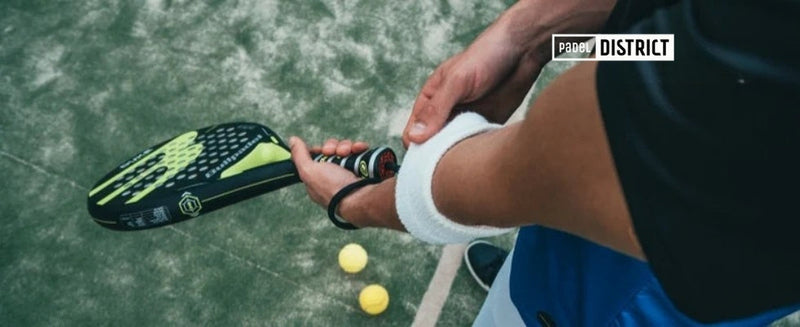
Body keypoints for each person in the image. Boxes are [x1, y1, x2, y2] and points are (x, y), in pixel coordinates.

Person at [287, 0, 800, 325]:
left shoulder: (749, 71)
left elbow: (518, 179)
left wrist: (351, 202)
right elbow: (660, 35)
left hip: (619, 302)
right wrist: (530, 35)